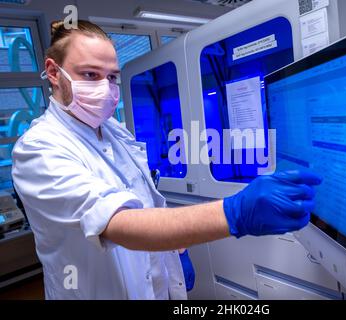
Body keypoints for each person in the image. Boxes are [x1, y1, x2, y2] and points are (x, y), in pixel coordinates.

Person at [11, 20, 322, 300]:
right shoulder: (39, 149)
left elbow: (145, 198)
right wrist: (235, 212)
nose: (105, 89)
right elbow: (120, 223)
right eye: (90, 75)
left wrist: (177, 249)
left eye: (112, 77)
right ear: (53, 72)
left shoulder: (112, 129)